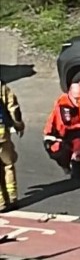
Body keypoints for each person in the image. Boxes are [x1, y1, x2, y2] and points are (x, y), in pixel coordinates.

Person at [43, 83, 80, 179]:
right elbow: (65, 125)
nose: (78, 101)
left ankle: (76, 163)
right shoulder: (64, 105)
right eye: (76, 98)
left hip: (74, 131)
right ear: (70, 94)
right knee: (60, 152)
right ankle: (67, 164)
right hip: (58, 135)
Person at [0, 80, 25, 212]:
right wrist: (19, 125)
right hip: (2, 135)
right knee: (8, 165)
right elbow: (14, 109)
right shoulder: (2, 87)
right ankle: (12, 198)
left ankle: (1, 203)